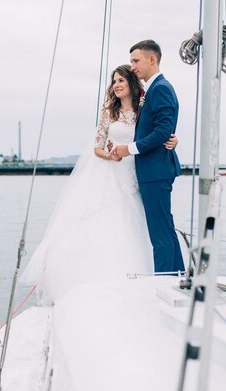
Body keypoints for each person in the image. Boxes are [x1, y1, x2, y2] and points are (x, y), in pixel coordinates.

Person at [22, 64, 178, 304]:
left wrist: (172, 139)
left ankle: (158, 278)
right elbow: (97, 147)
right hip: (112, 171)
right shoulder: (109, 112)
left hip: (136, 173)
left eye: (121, 81)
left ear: (131, 84)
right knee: (106, 219)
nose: (115, 85)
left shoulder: (142, 108)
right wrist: (111, 155)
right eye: (113, 81)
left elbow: (155, 132)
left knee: (143, 224)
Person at [111, 40, 184, 274]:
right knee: (165, 229)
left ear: (151, 59)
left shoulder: (160, 87)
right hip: (154, 170)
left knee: (159, 235)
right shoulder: (150, 90)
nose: (132, 67)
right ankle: (177, 276)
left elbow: (162, 131)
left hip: (155, 171)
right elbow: (161, 128)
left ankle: (163, 281)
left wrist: (129, 149)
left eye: (135, 61)